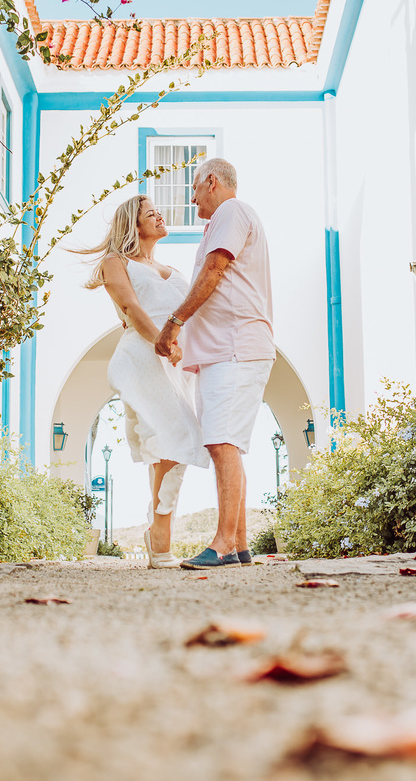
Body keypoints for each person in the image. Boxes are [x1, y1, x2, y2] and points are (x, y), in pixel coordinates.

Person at [74, 195, 210, 569]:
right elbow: (132, 309)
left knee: (179, 440)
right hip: (144, 359)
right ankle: (161, 538)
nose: (160, 215)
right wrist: (161, 342)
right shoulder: (115, 263)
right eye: (151, 213)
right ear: (133, 226)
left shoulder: (173, 269)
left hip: (177, 363)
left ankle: (157, 531)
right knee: (170, 437)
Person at [154, 158, 274, 570]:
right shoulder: (220, 220)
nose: (191, 198)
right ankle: (238, 544)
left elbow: (215, 270)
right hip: (225, 351)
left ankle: (222, 543)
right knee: (227, 445)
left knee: (223, 443)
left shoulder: (232, 211)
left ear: (212, 181)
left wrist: (174, 322)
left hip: (236, 348)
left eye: (194, 188)